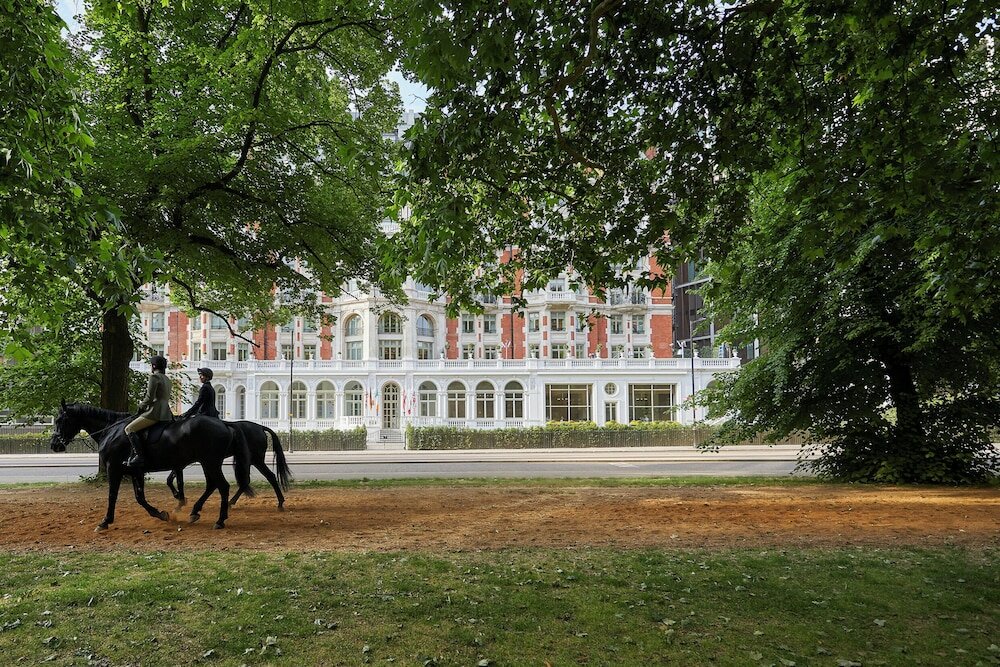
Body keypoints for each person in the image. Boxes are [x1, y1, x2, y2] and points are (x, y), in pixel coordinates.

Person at [124, 355, 173, 471]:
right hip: (166, 412)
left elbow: (149, 397)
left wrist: (140, 406)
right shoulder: (167, 379)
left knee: (129, 429)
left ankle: (139, 457)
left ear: (154, 366)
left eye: (151, 365)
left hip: (154, 412)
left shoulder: (154, 377)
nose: (151, 367)